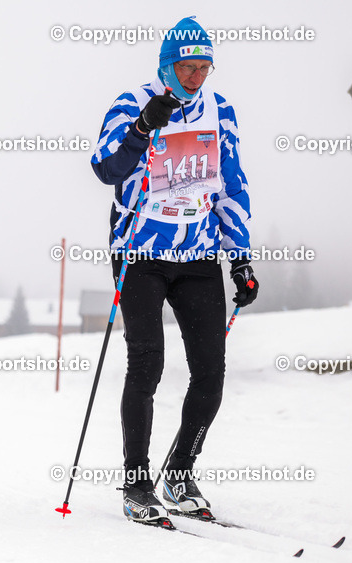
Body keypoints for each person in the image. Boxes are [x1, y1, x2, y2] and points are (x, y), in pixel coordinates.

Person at [91, 17, 259, 525]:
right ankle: (137, 482)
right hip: (140, 252)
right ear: (167, 65)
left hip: (198, 254)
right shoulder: (132, 103)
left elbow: (231, 183)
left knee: (211, 370)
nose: (195, 77)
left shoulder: (219, 111)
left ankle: (180, 472)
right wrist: (143, 127)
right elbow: (105, 168)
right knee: (147, 364)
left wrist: (240, 257)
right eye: (186, 67)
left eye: (204, 67)